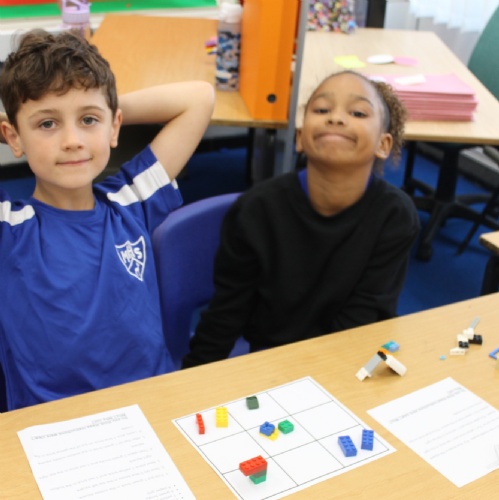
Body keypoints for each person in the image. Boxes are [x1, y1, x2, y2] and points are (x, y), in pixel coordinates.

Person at [0, 29, 214, 410]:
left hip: (150, 405)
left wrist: (105, 106)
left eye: (87, 121)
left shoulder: (131, 200)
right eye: (47, 124)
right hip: (53, 424)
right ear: (13, 137)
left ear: (114, 126)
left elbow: (199, 98)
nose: (72, 140)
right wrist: (76, 111)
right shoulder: (9, 227)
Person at [182, 70, 420, 368]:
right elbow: (226, 314)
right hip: (271, 359)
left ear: (383, 144)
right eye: (322, 110)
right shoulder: (256, 211)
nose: (336, 118)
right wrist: (190, 379)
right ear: (299, 137)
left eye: (358, 112)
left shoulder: (394, 216)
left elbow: (364, 318)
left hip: (350, 359)